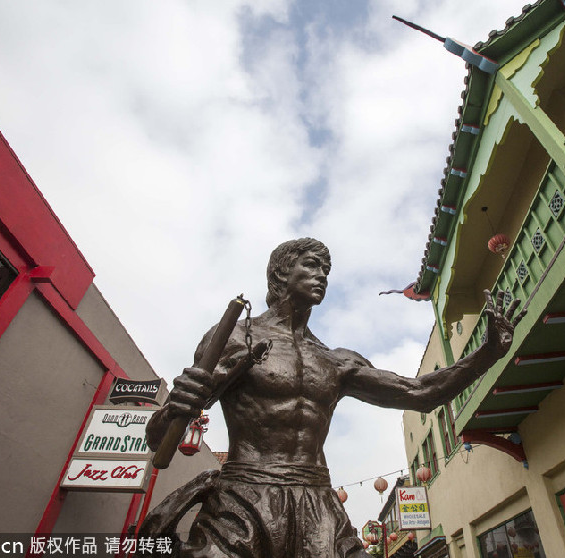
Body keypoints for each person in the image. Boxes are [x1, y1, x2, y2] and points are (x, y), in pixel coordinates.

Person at [144, 237, 525, 558]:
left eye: (326, 270)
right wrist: (177, 405)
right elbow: (159, 439)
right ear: (280, 273)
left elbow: (420, 393)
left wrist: (487, 353)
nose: (322, 276)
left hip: (317, 502)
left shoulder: (335, 361)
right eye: (311, 266)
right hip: (243, 496)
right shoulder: (232, 337)